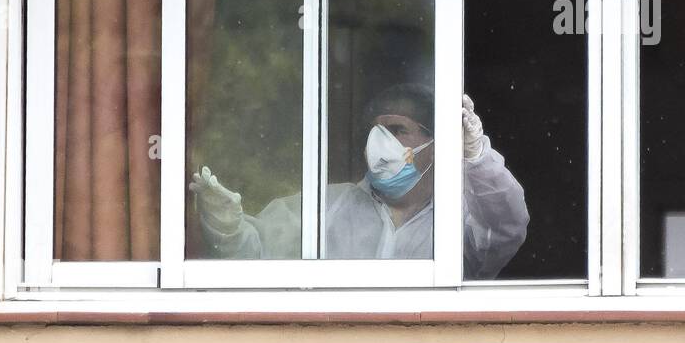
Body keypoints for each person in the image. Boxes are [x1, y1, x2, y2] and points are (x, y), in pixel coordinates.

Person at [189, 85, 529, 280]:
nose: (380, 143)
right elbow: (256, 256)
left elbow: (505, 229)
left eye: (397, 130)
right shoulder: (328, 208)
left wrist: (476, 157)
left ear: (437, 145)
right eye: (376, 131)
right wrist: (226, 227)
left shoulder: (458, 221)